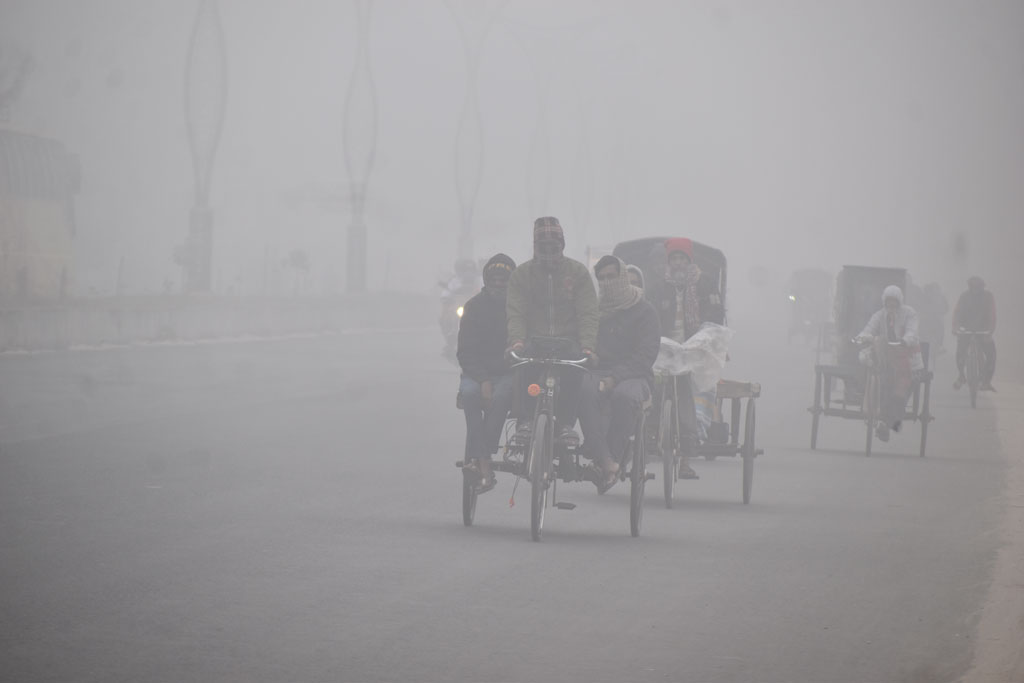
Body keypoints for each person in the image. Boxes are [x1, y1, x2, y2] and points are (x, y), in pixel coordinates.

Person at [506, 216, 599, 441]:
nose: (548, 252)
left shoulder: (577, 273)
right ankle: (526, 421)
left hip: (568, 341)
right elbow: (515, 312)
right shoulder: (522, 274)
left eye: (553, 247)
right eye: (543, 247)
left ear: (562, 246)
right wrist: (517, 341)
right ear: (535, 247)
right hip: (534, 340)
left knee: (574, 375)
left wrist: (587, 346)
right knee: (525, 369)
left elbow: (587, 312)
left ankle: (566, 424)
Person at [577, 256, 660, 491]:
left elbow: (645, 356)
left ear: (622, 277)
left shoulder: (645, 311)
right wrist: (588, 353)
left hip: (635, 375)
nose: (606, 282)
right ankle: (605, 460)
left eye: (611, 276)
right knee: (581, 390)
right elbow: (584, 339)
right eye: (601, 278)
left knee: (624, 397)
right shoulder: (594, 310)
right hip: (598, 371)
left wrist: (616, 378)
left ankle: (612, 454)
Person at [456, 254, 517, 493]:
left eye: (504, 279)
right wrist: (482, 380)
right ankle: (484, 461)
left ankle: (481, 459)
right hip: (476, 373)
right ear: (487, 280)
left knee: (502, 398)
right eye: (495, 279)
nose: (499, 283)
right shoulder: (473, 306)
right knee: (470, 396)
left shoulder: (518, 309)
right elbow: (465, 353)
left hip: (508, 373)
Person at [651, 238, 704, 478]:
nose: (679, 263)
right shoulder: (658, 287)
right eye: (675, 259)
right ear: (669, 261)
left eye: (683, 259)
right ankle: (648, 440)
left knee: (685, 399)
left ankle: (685, 457)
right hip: (662, 351)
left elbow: (714, 316)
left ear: (689, 261)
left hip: (691, 352)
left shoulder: (704, 285)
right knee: (653, 394)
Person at [857, 285, 924, 442]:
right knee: (885, 386)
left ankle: (887, 422)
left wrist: (904, 341)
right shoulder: (879, 316)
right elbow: (869, 329)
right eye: (889, 302)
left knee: (901, 392)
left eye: (894, 302)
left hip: (909, 361)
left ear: (899, 302)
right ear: (884, 302)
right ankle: (884, 421)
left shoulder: (909, 314)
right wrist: (861, 338)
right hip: (888, 362)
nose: (891, 305)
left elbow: (912, 332)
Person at [952, 276, 997, 391]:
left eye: (978, 287)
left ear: (982, 287)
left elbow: (992, 315)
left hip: (983, 331)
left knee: (991, 355)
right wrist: (955, 327)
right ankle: (961, 375)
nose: (976, 289)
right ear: (970, 287)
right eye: (973, 286)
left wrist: (990, 332)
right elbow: (957, 312)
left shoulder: (988, 297)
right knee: (960, 353)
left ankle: (986, 381)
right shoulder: (964, 296)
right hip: (966, 330)